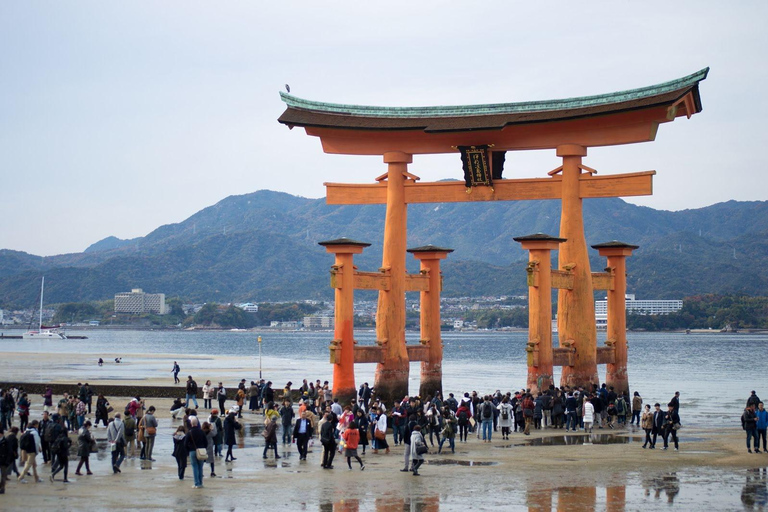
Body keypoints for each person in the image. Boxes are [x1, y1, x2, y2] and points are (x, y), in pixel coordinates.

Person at [185, 416, 207, 489]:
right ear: (197, 423)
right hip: (201, 451)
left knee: (195, 467)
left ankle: (196, 483)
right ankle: (200, 483)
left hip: (192, 451)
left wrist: (188, 449)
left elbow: (185, 443)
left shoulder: (190, 432)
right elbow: (206, 442)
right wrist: (204, 448)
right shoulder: (202, 431)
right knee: (200, 467)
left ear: (191, 424)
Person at [0, 428, 12, 494]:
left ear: (2, 434)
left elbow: (9, 452)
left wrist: (7, 461)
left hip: (3, 461)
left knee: (3, 476)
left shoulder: (6, 441)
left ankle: (2, 488)